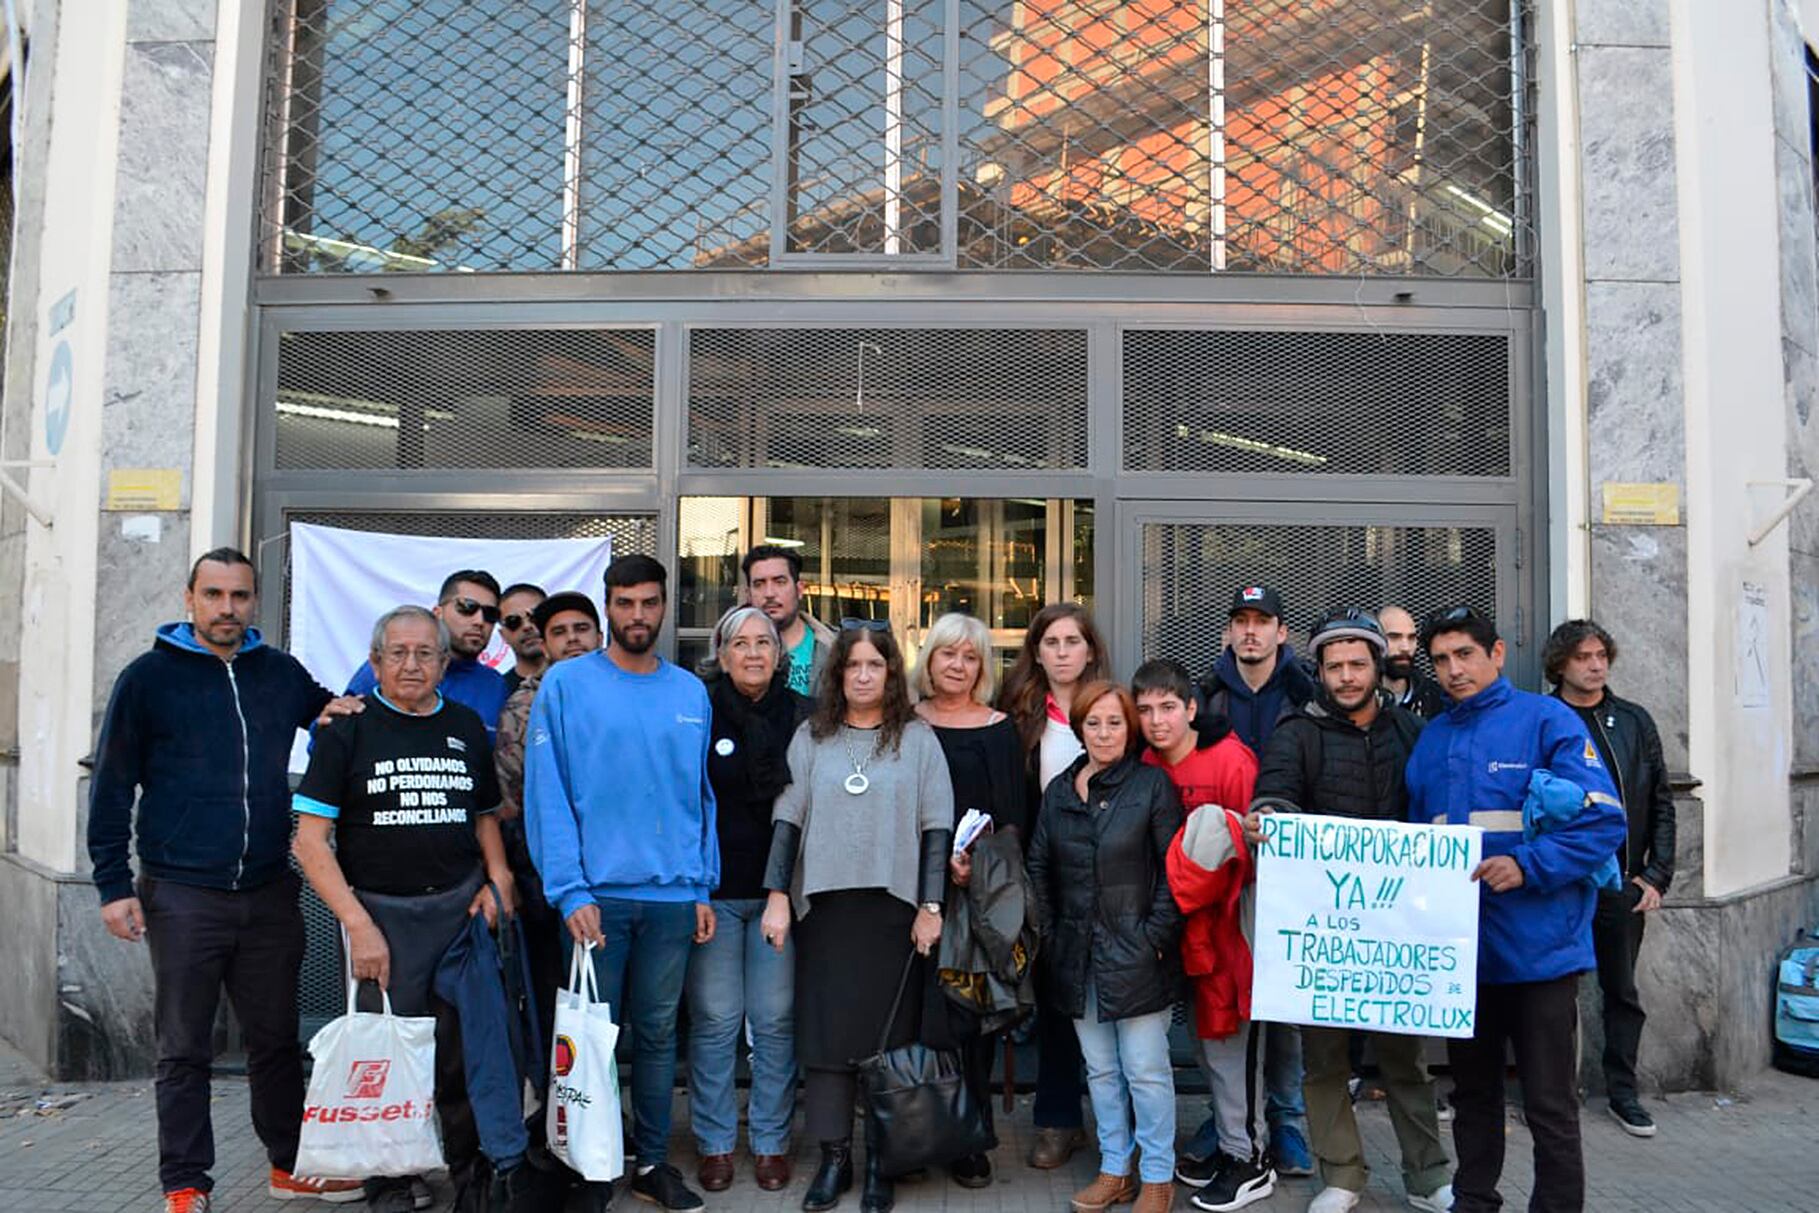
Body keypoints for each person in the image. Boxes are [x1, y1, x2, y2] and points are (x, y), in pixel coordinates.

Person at [87, 548, 365, 1213]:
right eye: (213, 594)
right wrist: (111, 883)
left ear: (255, 601)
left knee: (274, 1039)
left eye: (239, 595)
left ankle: (288, 1163)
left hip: (269, 888)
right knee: (183, 1046)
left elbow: (330, 712)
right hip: (182, 892)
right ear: (189, 599)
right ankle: (185, 1181)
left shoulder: (277, 672)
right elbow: (111, 784)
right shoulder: (149, 678)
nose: (226, 608)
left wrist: (363, 705)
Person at [291, 605, 521, 1213]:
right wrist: (358, 926)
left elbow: (484, 817)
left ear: (446, 664)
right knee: (386, 1055)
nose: (412, 664)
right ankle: (389, 1177)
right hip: (381, 921)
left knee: (465, 1052)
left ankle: (474, 1172)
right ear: (375, 662)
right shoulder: (346, 732)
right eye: (399, 653)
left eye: (426, 654)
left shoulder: (468, 725)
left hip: (457, 916)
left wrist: (497, 879)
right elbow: (309, 842)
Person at [1405, 606, 1627, 1213]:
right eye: (1442, 659)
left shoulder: (1547, 720)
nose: (1453, 670)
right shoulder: (1431, 741)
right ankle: (1473, 1200)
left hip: (1540, 954)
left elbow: (1604, 821)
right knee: (1472, 1096)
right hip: (1465, 959)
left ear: (1497, 654)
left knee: (1549, 1104)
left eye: (1465, 655)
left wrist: (1529, 865)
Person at [524, 555, 718, 1213]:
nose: (638, 615)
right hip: (596, 899)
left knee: (660, 1035)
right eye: (626, 602)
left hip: (671, 898)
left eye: (650, 602)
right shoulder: (567, 684)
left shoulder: (691, 692)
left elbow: (700, 797)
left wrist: (701, 884)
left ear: (666, 606)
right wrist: (569, 890)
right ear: (610, 605)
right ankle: (589, 1165)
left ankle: (652, 1162)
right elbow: (547, 795)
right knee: (591, 1037)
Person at [1249, 611, 1452, 1213]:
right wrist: (1273, 818)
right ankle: (1341, 1175)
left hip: (1398, 927)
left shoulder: (1414, 731)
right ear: (1319, 670)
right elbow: (1277, 789)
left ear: (1377, 664)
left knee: (1407, 1062)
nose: (1345, 676)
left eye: (1356, 663)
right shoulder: (1295, 732)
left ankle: (1428, 1177)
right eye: (1333, 666)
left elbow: (1436, 808)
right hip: (1326, 930)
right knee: (1324, 1061)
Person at [759, 622, 954, 1213]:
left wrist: (931, 905)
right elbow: (787, 819)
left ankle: (880, 1164)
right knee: (826, 1042)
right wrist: (775, 896)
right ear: (837, 674)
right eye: (853, 666)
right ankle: (835, 1158)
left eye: (875, 665)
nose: (864, 675)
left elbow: (936, 826)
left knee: (888, 1044)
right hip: (825, 911)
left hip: (894, 913)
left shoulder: (917, 739)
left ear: (892, 673)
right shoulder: (810, 737)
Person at [1027, 681, 1183, 1213]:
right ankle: (1115, 1168)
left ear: (1130, 729)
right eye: (1093, 723)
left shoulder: (1151, 787)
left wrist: (1154, 938)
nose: (1104, 733)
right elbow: (1038, 870)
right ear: (1079, 728)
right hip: (1076, 955)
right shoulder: (1060, 791)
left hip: (1137, 954)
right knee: (1100, 1070)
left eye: (1115, 722)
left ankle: (1158, 1177)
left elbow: (1173, 873)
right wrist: (1049, 937)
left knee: (1145, 1069)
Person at [1128, 659, 1269, 1210]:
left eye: (1167, 708)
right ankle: (1230, 1145)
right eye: (1144, 711)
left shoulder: (1231, 760)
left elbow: (1255, 845)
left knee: (1230, 1045)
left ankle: (1250, 1161)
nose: (1156, 721)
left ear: (1191, 709)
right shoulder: (1143, 762)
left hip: (1228, 929)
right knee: (1207, 1050)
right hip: (1175, 929)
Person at [687, 606, 811, 1194]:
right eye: (742, 642)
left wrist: (780, 890)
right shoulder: (696, 709)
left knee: (774, 1021)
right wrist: (691, 889)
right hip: (712, 892)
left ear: (778, 653)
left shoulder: (805, 717)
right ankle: (714, 1144)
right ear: (723, 652)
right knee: (714, 1022)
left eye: (765, 641)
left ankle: (770, 1142)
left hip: (776, 894)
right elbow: (681, 801)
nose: (755, 651)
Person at [1196, 584, 1315, 1176]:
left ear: (1281, 633)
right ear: (1227, 633)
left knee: (1283, 1003)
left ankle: (1287, 1119)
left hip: (1292, 870)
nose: (1250, 631)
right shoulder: (1205, 695)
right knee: (1221, 996)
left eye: (1262, 621)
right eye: (1240, 621)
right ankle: (1225, 1116)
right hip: (1226, 869)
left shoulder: (1308, 695)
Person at [1544, 618, 1676, 1138]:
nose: (1596, 665)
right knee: (1556, 996)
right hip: (1560, 885)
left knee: (1621, 991)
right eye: (1584, 657)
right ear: (1560, 664)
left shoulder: (1634, 721)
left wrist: (1656, 875)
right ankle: (1555, 1092)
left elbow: (1662, 800)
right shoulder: (1544, 719)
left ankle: (1624, 1093)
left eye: (1601, 656)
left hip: (1621, 884)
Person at [912, 611, 1029, 1189]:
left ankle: (969, 1138)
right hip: (907, 895)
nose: (956, 666)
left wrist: (971, 872)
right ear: (928, 659)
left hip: (971, 902)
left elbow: (1012, 825)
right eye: (946, 654)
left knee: (967, 1020)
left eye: (969, 657)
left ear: (982, 667)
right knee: (914, 1022)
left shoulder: (999, 729)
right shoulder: (905, 723)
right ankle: (915, 1131)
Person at [492, 589, 601, 1176]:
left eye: (584, 629)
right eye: (561, 633)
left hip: (613, 881)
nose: (574, 641)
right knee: (552, 1005)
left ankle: (604, 1114)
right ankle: (557, 1118)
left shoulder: (618, 690)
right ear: (543, 641)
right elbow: (512, 802)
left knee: (601, 1009)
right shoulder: (523, 707)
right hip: (542, 884)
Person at [998, 603, 1111, 1169]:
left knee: (1107, 1003)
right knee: (1053, 1004)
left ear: (1090, 649)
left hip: (1109, 879)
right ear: (1036, 652)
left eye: (1073, 641)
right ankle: (1058, 1118)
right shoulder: (1017, 714)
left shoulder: (1115, 709)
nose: (1063, 651)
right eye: (1052, 642)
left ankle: (1120, 1129)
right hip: (1042, 879)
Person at [346, 569, 509, 743]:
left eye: (490, 614)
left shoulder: (495, 685)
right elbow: (331, 739)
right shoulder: (389, 668)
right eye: (467, 607)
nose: (479, 621)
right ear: (437, 613)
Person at [743, 543, 837, 696]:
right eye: (759, 584)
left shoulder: (836, 648)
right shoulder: (734, 654)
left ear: (799, 590)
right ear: (748, 595)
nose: (769, 593)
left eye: (779, 582)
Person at [1378, 606, 1449, 720]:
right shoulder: (1358, 697)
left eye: (1411, 638)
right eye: (1394, 637)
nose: (1405, 647)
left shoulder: (1436, 699)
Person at [497, 583, 547, 695]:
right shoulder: (497, 693)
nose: (527, 626)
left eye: (535, 616)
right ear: (502, 635)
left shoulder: (579, 676)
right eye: (513, 621)